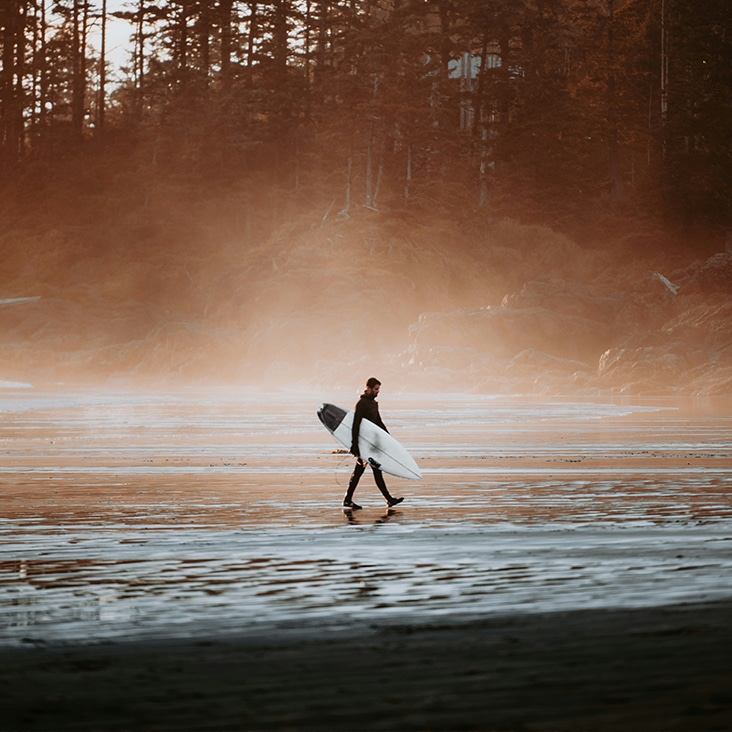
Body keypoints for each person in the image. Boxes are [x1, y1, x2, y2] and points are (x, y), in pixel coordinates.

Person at [343, 378, 404, 510]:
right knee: (375, 471)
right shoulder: (362, 404)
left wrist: (389, 438)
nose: (377, 392)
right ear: (368, 388)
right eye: (376, 389)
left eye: (378, 389)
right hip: (364, 443)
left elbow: (379, 422)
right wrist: (354, 444)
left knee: (360, 472)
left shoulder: (373, 404)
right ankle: (388, 499)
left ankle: (348, 500)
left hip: (372, 443)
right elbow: (356, 424)